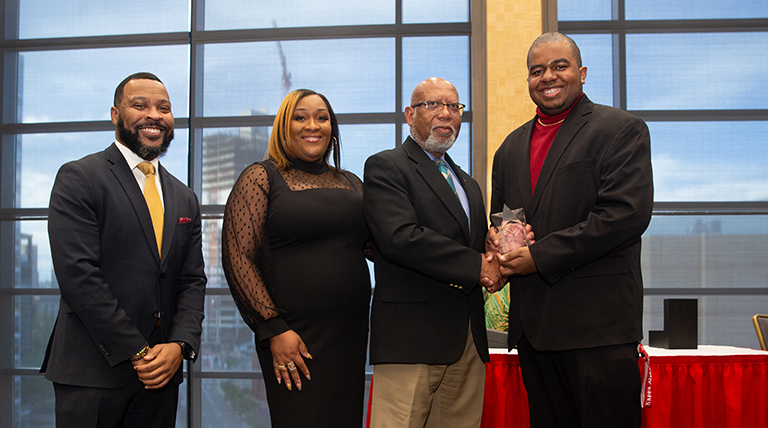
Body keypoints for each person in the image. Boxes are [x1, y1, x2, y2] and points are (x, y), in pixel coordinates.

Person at [490, 32, 653, 428]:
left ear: (581, 72)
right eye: (537, 70)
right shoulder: (509, 148)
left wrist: (538, 256)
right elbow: (501, 217)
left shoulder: (621, 129)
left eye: (559, 66)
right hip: (535, 331)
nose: (548, 76)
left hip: (598, 328)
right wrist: (496, 241)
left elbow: (624, 215)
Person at [40, 72, 207, 428]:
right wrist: (138, 351)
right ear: (115, 115)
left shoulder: (184, 197)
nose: (155, 115)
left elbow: (192, 280)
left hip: (161, 378)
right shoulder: (80, 177)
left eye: (164, 107)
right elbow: (78, 275)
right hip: (93, 374)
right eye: (140, 105)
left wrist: (179, 345)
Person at [221, 89, 371, 427]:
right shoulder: (261, 177)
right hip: (293, 338)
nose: (312, 125)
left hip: (349, 334)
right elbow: (238, 258)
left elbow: (381, 243)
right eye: (300, 117)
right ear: (283, 127)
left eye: (322, 117)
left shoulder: (350, 182)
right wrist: (274, 329)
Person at [363, 77, 503, 428]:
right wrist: (479, 267)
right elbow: (401, 237)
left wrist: (499, 249)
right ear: (409, 114)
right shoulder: (386, 167)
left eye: (454, 107)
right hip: (411, 340)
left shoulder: (466, 181)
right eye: (433, 105)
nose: (446, 114)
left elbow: (471, 244)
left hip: (467, 341)